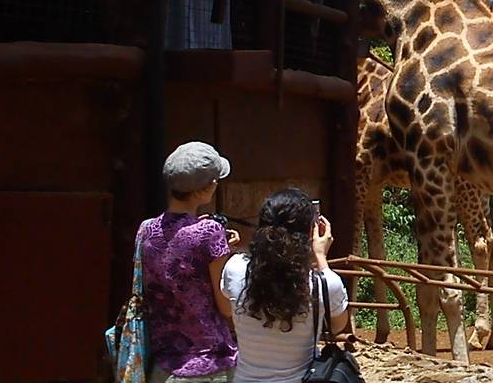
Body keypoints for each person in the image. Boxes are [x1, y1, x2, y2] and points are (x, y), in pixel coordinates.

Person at [221, 188, 350, 383]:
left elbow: (227, 309)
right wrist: (321, 257)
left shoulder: (234, 268)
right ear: (310, 232)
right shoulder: (324, 283)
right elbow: (338, 326)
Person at [140, 141, 239, 383]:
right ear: (201, 191)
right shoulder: (209, 232)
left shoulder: (145, 230)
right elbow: (224, 306)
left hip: (162, 364)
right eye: (215, 181)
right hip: (207, 363)